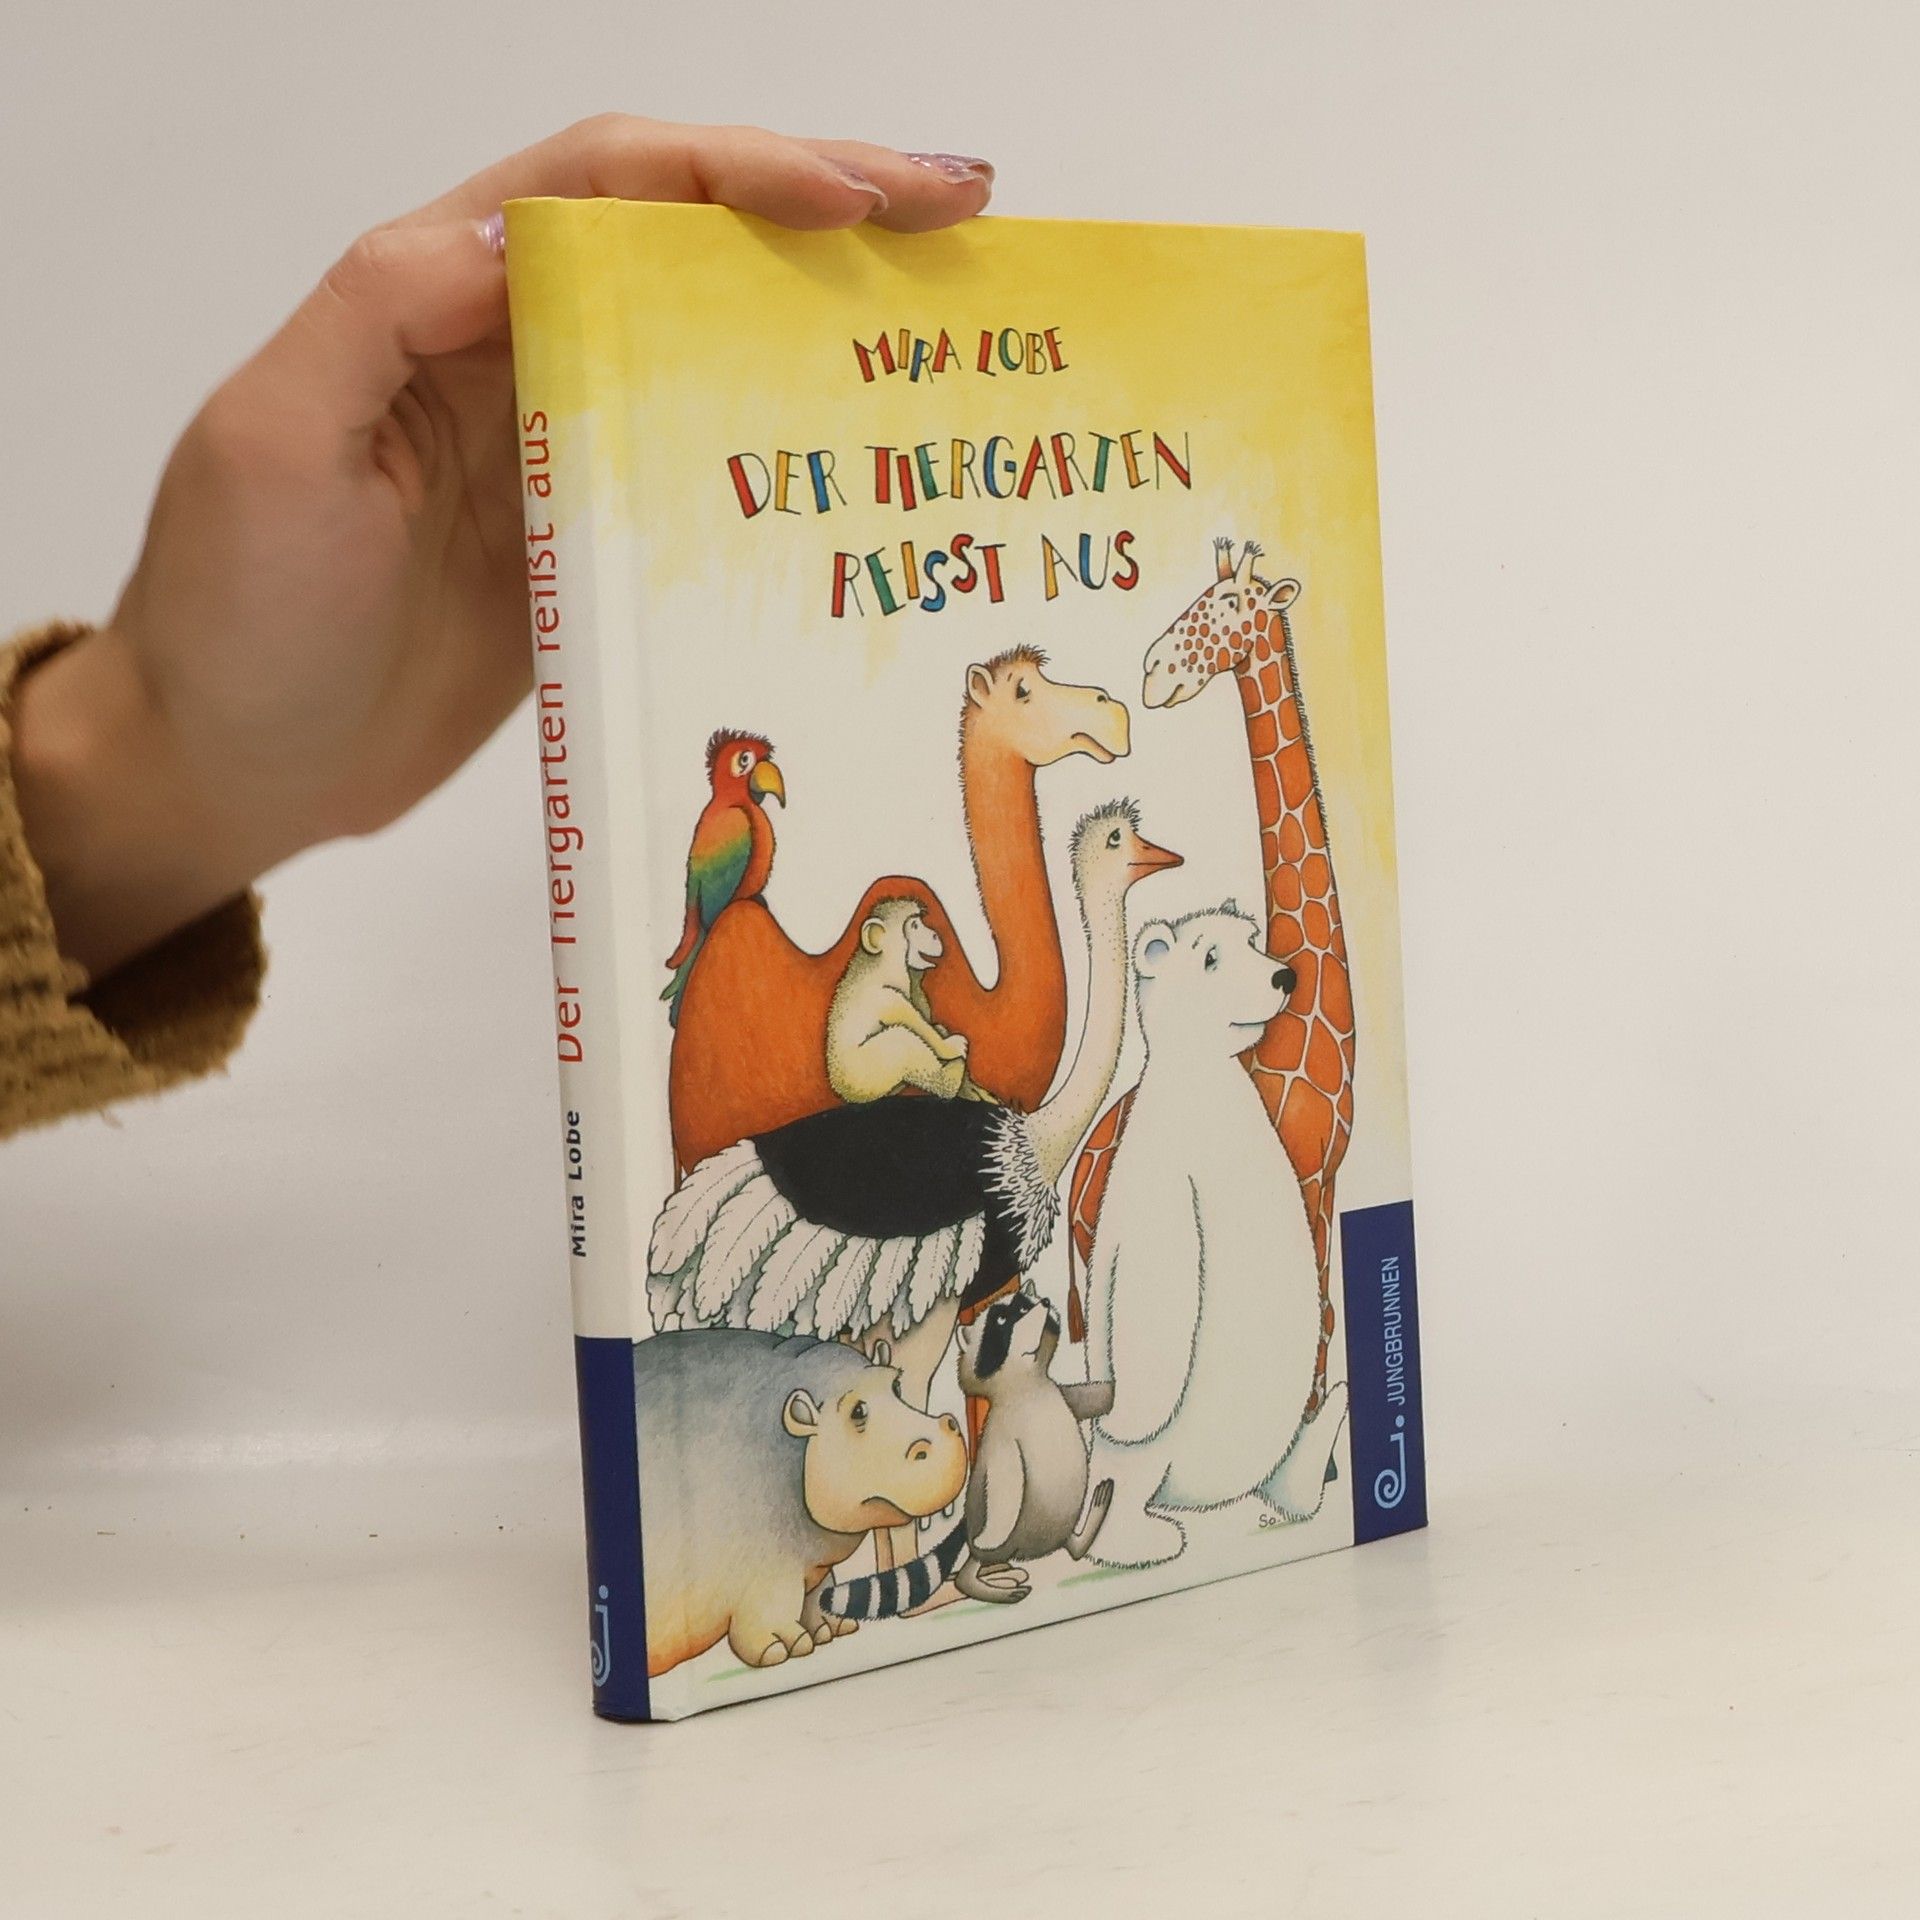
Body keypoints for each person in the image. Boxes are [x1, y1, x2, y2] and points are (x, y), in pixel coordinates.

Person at [0, 117, 993, 1141]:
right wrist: (169, 748)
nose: (759, 775)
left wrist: (164, 765)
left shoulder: (746, 823)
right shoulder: (731, 829)